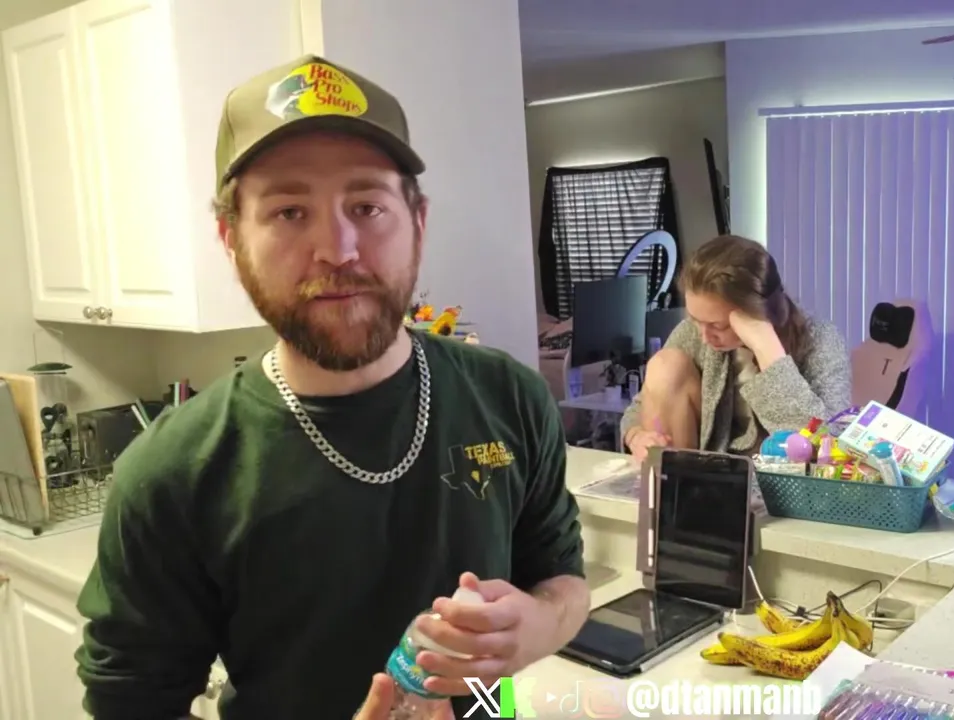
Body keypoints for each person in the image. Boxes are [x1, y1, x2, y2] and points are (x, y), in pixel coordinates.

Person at [73, 55, 589, 720]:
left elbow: (562, 576)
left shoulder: (509, 397)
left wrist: (539, 625)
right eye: (289, 212)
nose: (338, 249)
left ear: (418, 223)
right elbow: (129, 706)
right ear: (231, 240)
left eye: (367, 206)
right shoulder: (172, 471)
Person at [621, 235, 852, 459]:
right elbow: (640, 407)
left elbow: (828, 443)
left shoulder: (821, 339)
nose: (704, 337)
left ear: (756, 313)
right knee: (665, 366)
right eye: (695, 319)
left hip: (776, 472)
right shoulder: (693, 332)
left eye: (717, 326)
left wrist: (767, 349)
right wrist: (636, 436)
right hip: (707, 464)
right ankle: (675, 480)